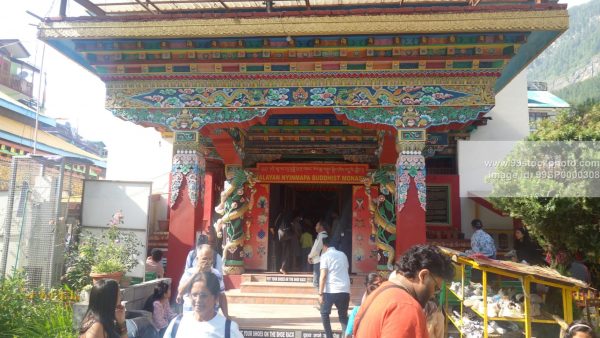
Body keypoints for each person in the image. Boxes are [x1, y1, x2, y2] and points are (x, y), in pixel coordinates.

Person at [353, 244, 455, 338]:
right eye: (436, 287)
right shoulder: (406, 307)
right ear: (423, 276)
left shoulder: (379, 292)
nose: (433, 294)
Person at [164, 272, 243, 338]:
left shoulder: (229, 329)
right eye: (194, 295)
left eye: (203, 296)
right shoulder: (177, 323)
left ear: (216, 298)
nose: (198, 300)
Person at [177, 244, 229, 317]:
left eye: (210, 259)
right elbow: (181, 291)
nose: (208, 262)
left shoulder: (216, 274)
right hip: (190, 314)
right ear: (197, 259)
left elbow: (222, 295)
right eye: (205, 259)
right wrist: (196, 273)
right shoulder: (189, 273)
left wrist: (226, 316)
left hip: (211, 315)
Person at [319, 236, 351, 338]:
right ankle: (346, 335)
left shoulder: (325, 256)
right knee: (343, 316)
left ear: (324, 246)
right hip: (345, 290)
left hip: (331, 290)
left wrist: (320, 293)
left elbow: (323, 276)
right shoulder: (343, 255)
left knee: (324, 313)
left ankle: (329, 336)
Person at [345, 272, 383, 338]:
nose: (381, 286)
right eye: (379, 284)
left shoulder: (357, 310)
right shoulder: (357, 310)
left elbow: (348, 334)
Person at [308, 219, 329, 288]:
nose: (315, 227)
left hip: (318, 261)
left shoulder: (321, 236)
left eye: (317, 225)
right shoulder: (324, 235)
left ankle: (319, 297)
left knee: (316, 282)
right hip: (321, 260)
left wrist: (310, 256)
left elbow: (316, 249)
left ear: (321, 227)